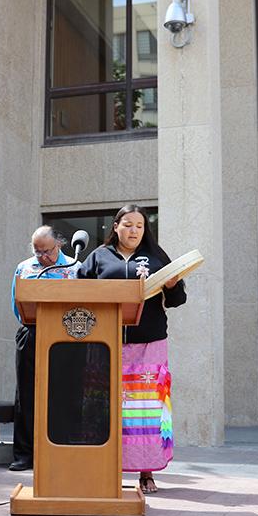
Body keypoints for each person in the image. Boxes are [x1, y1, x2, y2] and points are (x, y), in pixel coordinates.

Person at [77, 205, 186, 495]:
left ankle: (146, 472)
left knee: (144, 409)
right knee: (105, 404)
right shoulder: (98, 257)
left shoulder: (156, 257)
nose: (133, 230)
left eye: (139, 225)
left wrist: (173, 285)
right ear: (116, 227)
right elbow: (78, 292)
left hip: (148, 343)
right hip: (105, 341)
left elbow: (178, 299)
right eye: (127, 224)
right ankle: (101, 467)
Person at [9, 226, 80, 471]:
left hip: (65, 337)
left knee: (64, 394)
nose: (42, 257)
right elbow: (16, 303)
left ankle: (61, 451)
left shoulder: (75, 267)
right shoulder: (25, 267)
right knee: (26, 394)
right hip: (32, 331)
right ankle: (24, 454)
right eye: (37, 251)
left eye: (46, 251)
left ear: (58, 245)